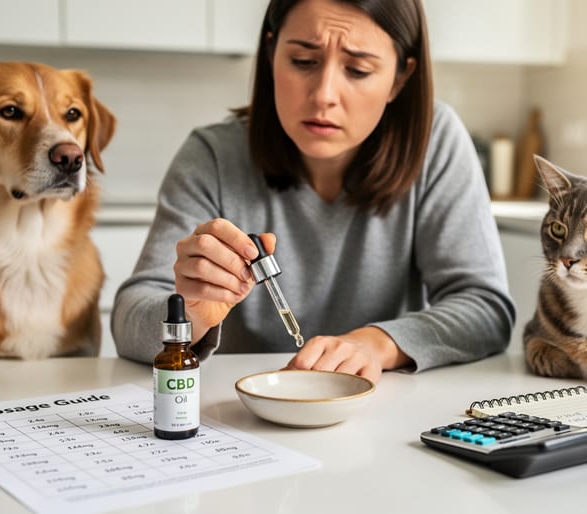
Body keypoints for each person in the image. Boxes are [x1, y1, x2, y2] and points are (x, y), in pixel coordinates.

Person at [112, 0, 515, 383]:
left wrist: (377, 345)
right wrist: (191, 314)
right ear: (271, 54)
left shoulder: (436, 141)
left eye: (357, 70)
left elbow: (486, 308)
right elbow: (129, 319)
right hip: (243, 417)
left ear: (400, 77)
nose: (324, 94)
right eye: (303, 61)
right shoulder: (211, 156)